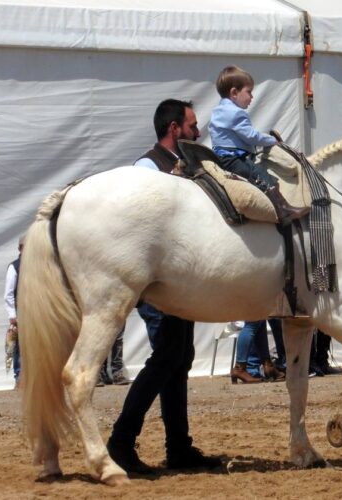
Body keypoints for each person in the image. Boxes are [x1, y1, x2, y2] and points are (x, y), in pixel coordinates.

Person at [107, 99, 222, 474]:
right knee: (167, 357)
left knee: (179, 358)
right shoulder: (146, 167)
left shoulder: (186, 164)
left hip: (180, 281)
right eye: (191, 125)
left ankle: (178, 448)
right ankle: (121, 441)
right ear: (174, 128)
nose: (197, 130)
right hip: (158, 284)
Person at [209, 65, 308, 225]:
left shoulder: (218, 110)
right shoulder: (236, 113)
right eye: (248, 92)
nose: (252, 97)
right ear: (234, 93)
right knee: (260, 174)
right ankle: (283, 209)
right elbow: (251, 136)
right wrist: (272, 141)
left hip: (222, 156)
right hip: (233, 159)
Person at [3, 237, 23, 387]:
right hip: (21, 313)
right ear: (20, 249)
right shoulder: (15, 267)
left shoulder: (38, 266)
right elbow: (9, 293)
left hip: (35, 313)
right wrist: (12, 315)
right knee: (19, 347)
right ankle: (19, 377)